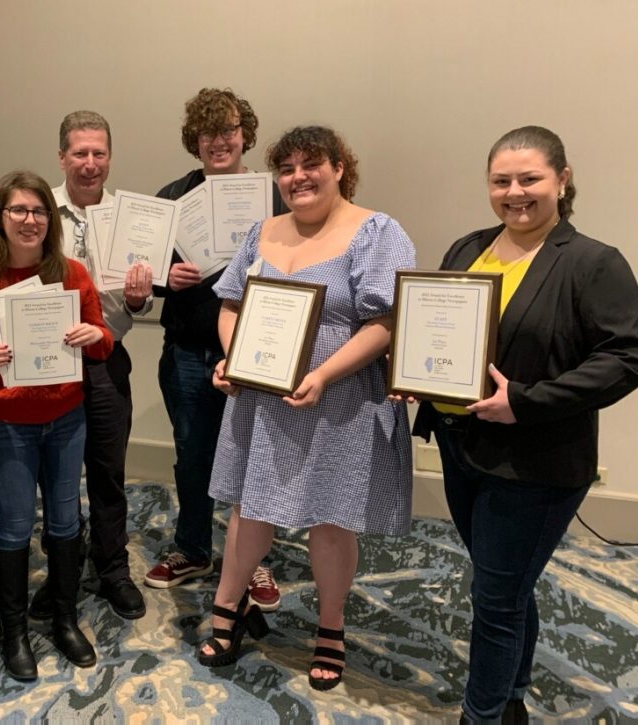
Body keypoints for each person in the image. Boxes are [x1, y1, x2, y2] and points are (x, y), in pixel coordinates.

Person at [411, 126, 638, 723]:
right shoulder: (469, 248)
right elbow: (440, 331)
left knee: (493, 596)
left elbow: (632, 355)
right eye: (501, 181)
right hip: (463, 446)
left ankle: (484, 714)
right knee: (506, 583)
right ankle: (513, 695)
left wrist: (527, 400)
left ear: (562, 180)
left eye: (530, 179)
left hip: (537, 461)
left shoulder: (593, 262)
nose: (515, 192)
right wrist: (414, 371)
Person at [200, 126, 415, 691]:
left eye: (311, 164)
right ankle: (230, 606)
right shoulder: (262, 230)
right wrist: (233, 359)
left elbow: (386, 322)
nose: (298, 177)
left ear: (340, 167)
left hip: (341, 401)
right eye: (287, 167)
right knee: (251, 508)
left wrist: (322, 373)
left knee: (331, 519)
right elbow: (230, 305)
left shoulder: (377, 231)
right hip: (265, 403)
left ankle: (330, 626)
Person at [0, 170, 113, 681]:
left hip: (67, 420)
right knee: (14, 528)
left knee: (66, 523)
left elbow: (104, 343)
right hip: (10, 426)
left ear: (51, 218)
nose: (30, 220)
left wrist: (95, 334)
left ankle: (65, 621)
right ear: (0, 218)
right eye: (19, 210)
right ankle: (15, 631)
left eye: (39, 211)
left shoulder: (71, 274)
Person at [145, 88, 284, 611]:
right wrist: (165, 279)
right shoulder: (173, 196)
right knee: (193, 457)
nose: (219, 142)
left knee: (254, 460)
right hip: (187, 352)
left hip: (256, 355)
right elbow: (145, 278)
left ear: (245, 134)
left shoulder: (272, 197)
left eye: (228, 130)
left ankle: (253, 561)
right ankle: (194, 548)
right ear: (194, 141)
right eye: (208, 133)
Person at [28, 111, 152, 622]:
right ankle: (63, 569)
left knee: (107, 473)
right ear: (61, 158)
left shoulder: (131, 218)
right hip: (50, 364)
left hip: (106, 361)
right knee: (55, 476)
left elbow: (137, 301)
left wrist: (141, 301)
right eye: (79, 153)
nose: (89, 163)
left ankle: (112, 569)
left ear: (109, 158)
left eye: (99, 153)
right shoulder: (37, 213)